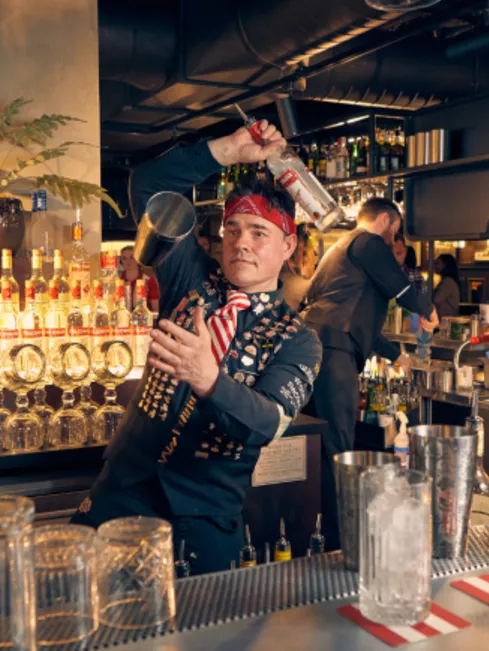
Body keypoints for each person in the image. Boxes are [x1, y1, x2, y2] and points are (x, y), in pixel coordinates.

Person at [71, 120, 323, 574]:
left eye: (258, 233)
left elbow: (268, 422)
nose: (241, 243)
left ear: (288, 246)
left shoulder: (298, 340)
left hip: (204, 515)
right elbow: (149, 186)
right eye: (233, 230)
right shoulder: (190, 277)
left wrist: (210, 381)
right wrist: (227, 149)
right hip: (124, 488)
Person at [302, 198, 438, 550]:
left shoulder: (342, 250)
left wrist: (397, 356)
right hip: (334, 355)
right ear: (384, 221)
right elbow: (403, 288)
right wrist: (427, 307)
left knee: (318, 444)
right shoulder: (367, 241)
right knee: (337, 448)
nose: (395, 239)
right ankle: (339, 540)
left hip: (317, 348)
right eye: (395, 230)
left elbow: (356, 317)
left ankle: (316, 531)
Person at [120, 245, 160, 312]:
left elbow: (155, 309)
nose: (128, 261)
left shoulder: (148, 280)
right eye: (124, 258)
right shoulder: (118, 282)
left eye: (131, 257)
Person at [433, 253, 461, 318]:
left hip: (446, 320)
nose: (434, 266)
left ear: (445, 265)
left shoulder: (448, 282)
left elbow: (436, 300)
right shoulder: (448, 281)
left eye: (437, 263)